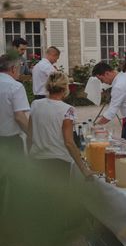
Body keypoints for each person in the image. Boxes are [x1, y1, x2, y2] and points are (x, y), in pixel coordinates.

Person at [28, 71, 92, 179]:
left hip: (37, 157)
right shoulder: (67, 110)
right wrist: (84, 169)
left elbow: (30, 133)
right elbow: (69, 142)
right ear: (65, 89)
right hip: (58, 160)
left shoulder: (35, 104)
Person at [0, 53, 30, 208]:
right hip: (9, 140)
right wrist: (33, 135)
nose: (20, 72)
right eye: (19, 68)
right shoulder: (15, 86)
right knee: (15, 181)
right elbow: (20, 116)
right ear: (12, 68)